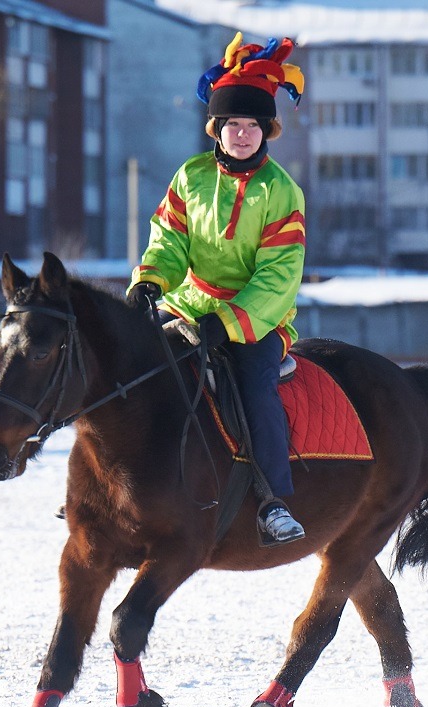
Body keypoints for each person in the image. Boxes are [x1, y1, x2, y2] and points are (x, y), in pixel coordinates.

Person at [125, 32, 307, 545]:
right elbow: (168, 241)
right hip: (187, 304)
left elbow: (278, 275)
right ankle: (110, 483)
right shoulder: (190, 176)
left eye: (253, 126)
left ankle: (272, 500)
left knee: (254, 387)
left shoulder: (282, 192)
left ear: (266, 132)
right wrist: (149, 282)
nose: (243, 134)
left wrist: (226, 322)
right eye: (234, 125)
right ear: (217, 129)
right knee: (124, 367)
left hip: (256, 319)